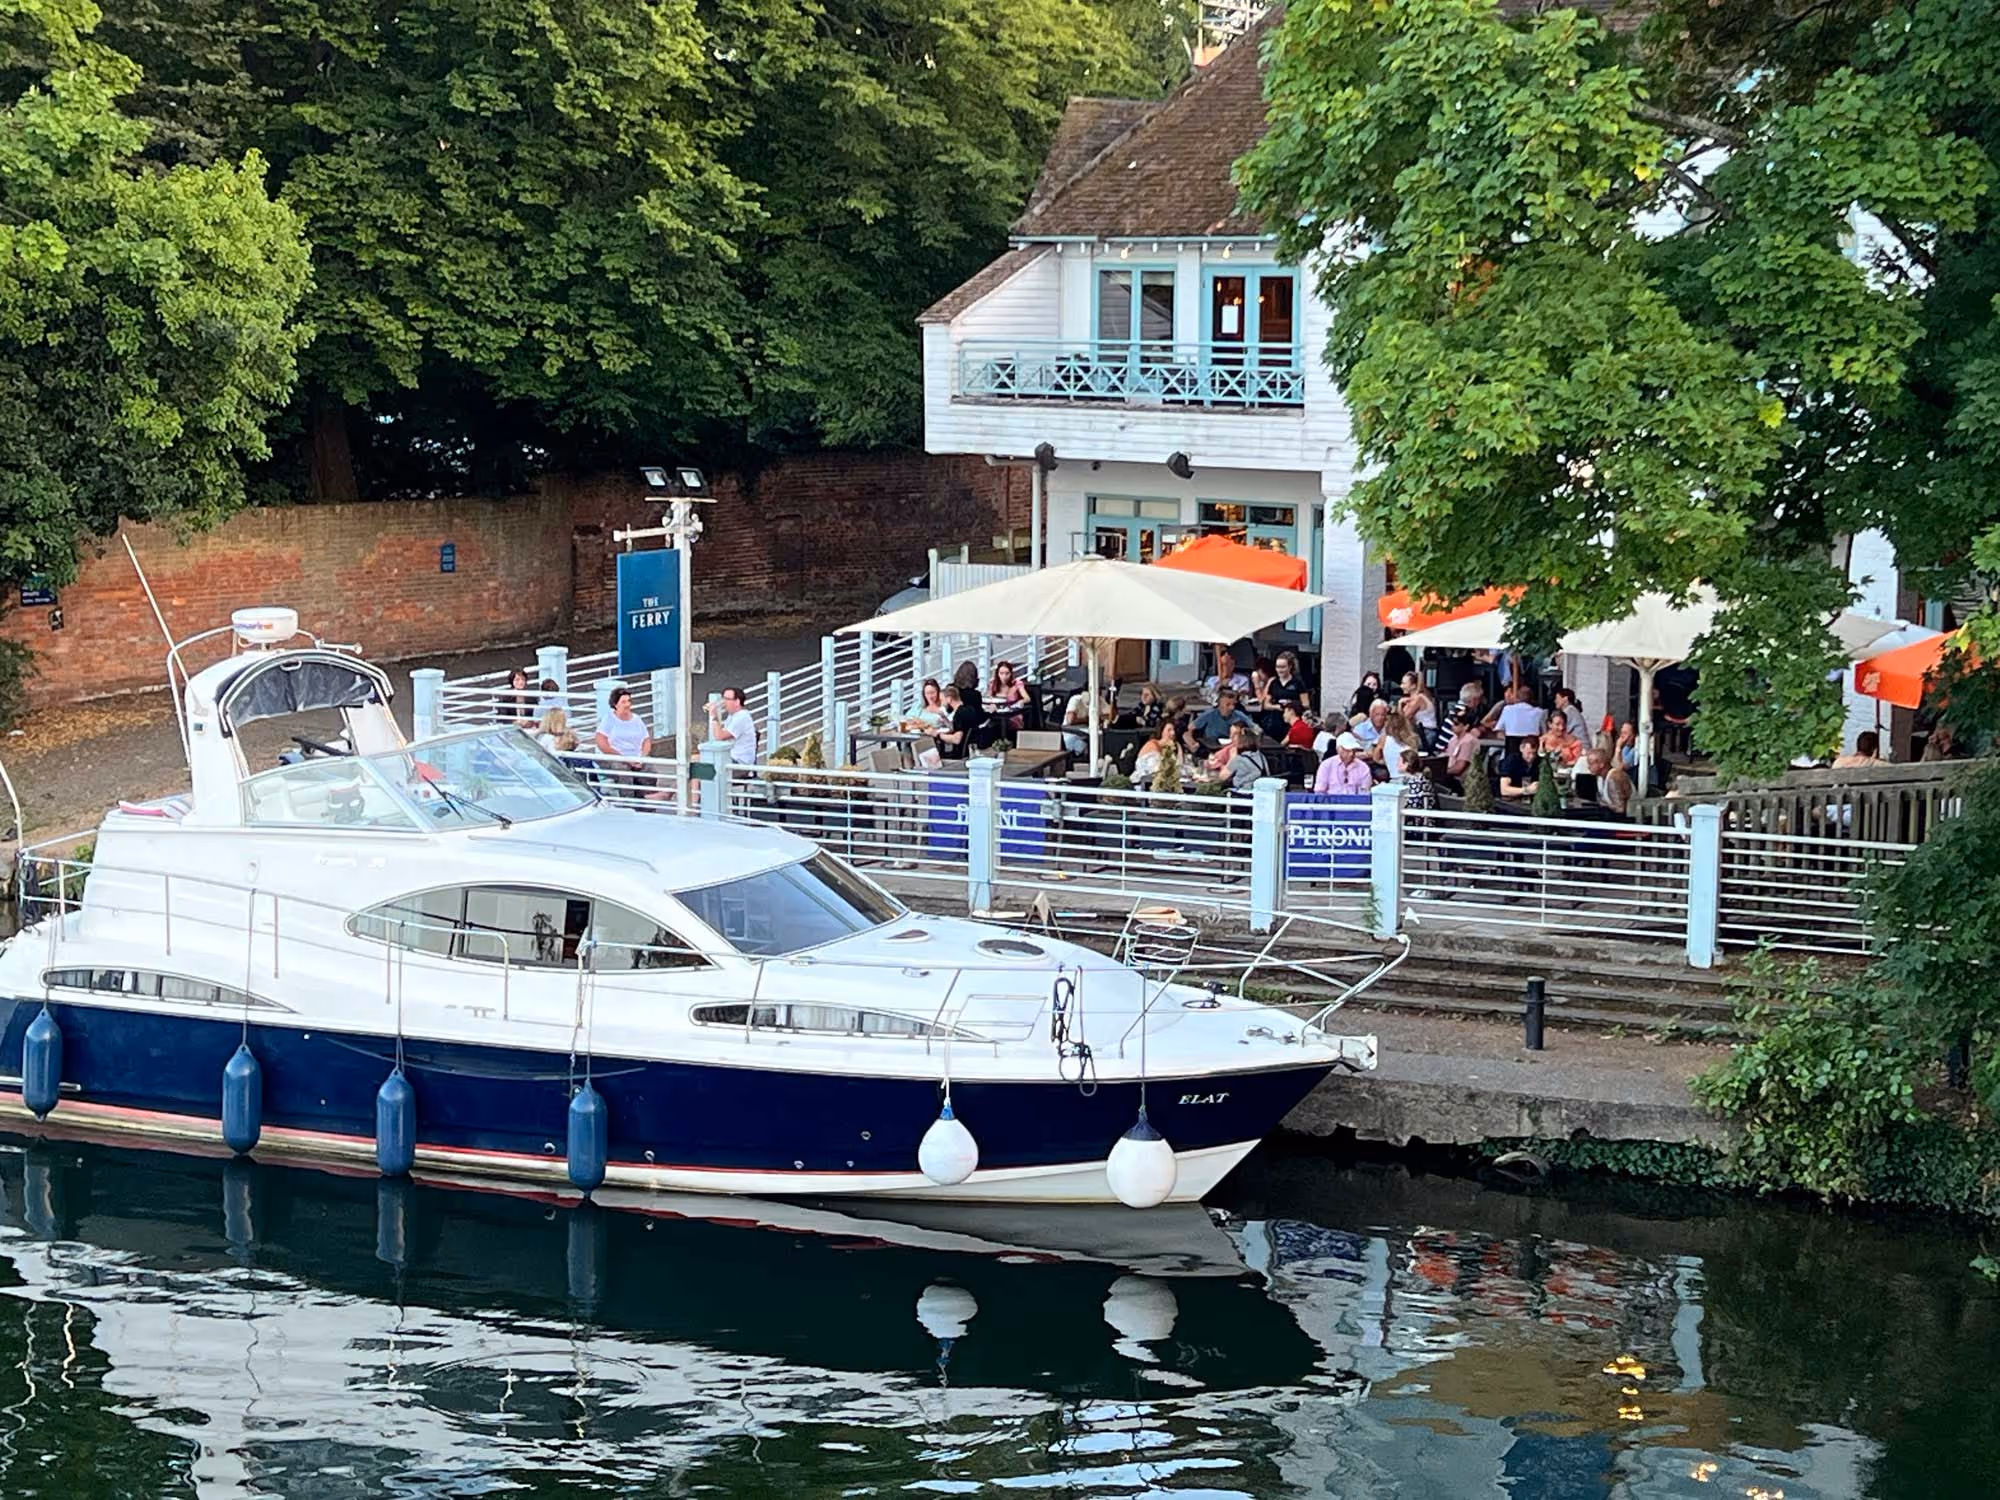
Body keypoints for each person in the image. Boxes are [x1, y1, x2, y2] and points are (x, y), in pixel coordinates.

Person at [594, 687, 652, 790]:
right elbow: (601, 742)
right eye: (623, 702)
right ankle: (628, 801)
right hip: (616, 758)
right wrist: (625, 759)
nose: (627, 704)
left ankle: (646, 800)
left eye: (629, 701)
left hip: (636, 757)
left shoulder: (637, 719)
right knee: (624, 773)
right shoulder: (608, 719)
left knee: (650, 772)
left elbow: (646, 740)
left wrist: (642, 758)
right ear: (615, 705)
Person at [705, 685, 759, 767]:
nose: (724, 702)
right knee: (697, 761)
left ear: (737, 702)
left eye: (727, 699)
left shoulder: (742, 717)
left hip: (739, 763)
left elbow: (720, 736)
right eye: (723, 698)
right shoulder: (732, 716)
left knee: (701, 765)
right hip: (730, 758)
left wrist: (714, 716)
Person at [936, 686, 986, 759]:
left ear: (949, 699)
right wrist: (945, 719)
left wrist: (939, 736)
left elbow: (957, 739)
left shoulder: (958, 715)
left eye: (942, 700)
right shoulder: (969, 709)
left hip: (960, 753)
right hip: (971, 749)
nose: (941, 703)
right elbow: (958, 727)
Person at [1193, 688, 1257, 744]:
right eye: (1228, 705)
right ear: (1220, 704)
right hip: (1212, 744)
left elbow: (1255, 728)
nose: (1232, 708)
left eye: (1234, 704)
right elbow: (1190, 728)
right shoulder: (1209, 714)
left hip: (1232, 745)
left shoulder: (1239, 714)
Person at [1223, 724, 1270, 793]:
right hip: (1261, 792)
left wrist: (1231, 758)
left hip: (1242, 794)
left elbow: (1222, 777)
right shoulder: (1261, 756)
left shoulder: (1239, 759)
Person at [1590, 747, 1635, 815]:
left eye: (1591, 763)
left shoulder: (1615, 778)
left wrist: (1605, 805)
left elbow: (1621, 808)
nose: (1589, 767)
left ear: (1601, 764)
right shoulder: (1600, 778)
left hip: (1628, 818)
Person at [1443, 711, 1485, 785]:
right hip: (1449, 775)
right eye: (1453, 723)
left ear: (1466, 726)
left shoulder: (1468, 741)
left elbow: (1460, 767)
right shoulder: (1453, 739)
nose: (1452, 726)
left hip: (1462, 781)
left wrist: (1441, 772)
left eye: (1456, 724)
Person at [1380, 708, 1422, 780]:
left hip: (1395, 777)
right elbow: (1415, 763)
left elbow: (1376, 758)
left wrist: (1388, 762)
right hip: (1409, 778)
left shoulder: (1383, 739)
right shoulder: (1412, 740)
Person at [989, 660, 1029, 735]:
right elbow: (989, 699)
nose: (1004, 676)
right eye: (1001, 673)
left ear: (1011, 673)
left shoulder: (1017, 684)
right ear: (997, 674)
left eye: (1007, 673)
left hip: (1012, 716)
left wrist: (1021, 701)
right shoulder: (993, 685)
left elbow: (1027, 698)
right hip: (997, 716)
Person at [1497, 735, 1541, 800]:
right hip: (1511, 799)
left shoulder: (1539, 761)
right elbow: (1504, 790)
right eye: (1528, 753)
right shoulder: (1511, 761)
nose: (1531, 757)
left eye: (1534, 753)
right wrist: (1527, 790)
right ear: (1521, 748)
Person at [1399, 671, 1438, 744]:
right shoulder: (1414, 698)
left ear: (1413, 686)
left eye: (1404, 683)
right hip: (1423, 732)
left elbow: (1403, 719)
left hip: (1427, 734)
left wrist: (1399, 704)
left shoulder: (1419, 699)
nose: (1401, 686)